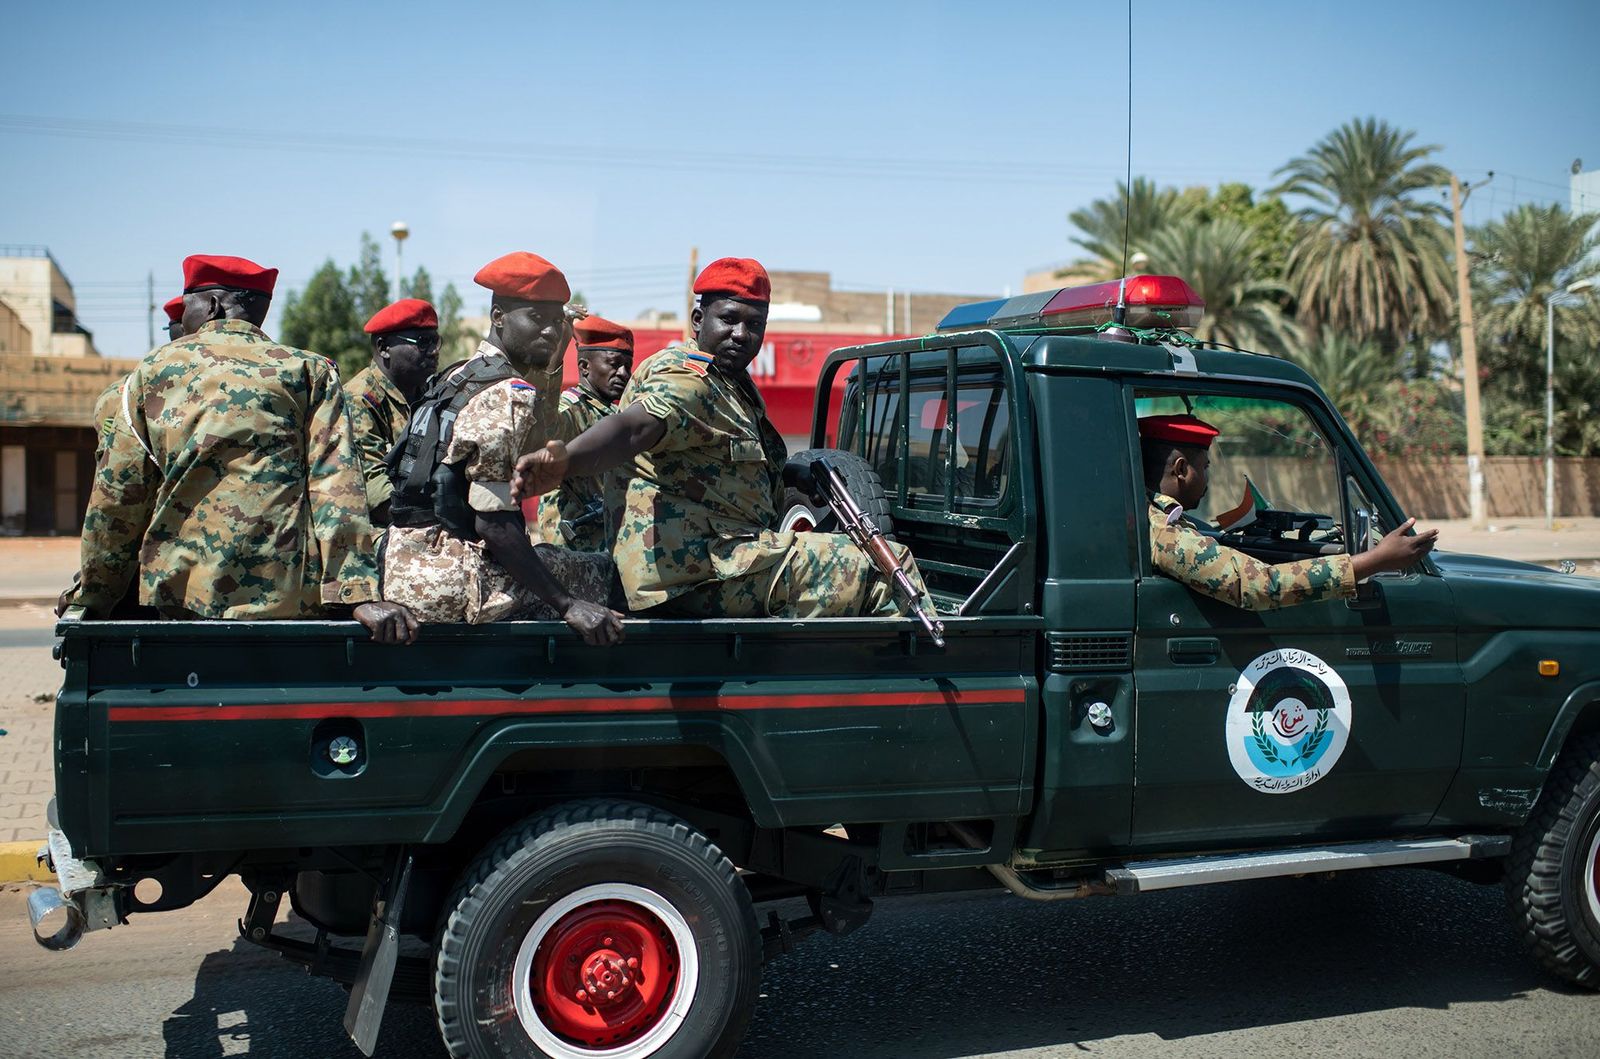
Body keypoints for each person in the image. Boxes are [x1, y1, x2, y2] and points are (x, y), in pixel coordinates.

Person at [511, 256, 933, 619]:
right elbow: (637, 427)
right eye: (728, 319)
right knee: (886, 569)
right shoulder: (687, 376)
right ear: (699, 320)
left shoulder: (732, 384)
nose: (741, 334)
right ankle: (941, 678)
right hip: (692, 575)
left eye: (755, 324)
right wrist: (564, 461)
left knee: (836, 553)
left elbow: (717, 465)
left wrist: (789, 473)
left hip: (715, 560)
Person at [73, 254, 416, 643]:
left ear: (213, 307)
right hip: (289, 597)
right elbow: (336, 488)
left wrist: (94, 596)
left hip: (184, 596)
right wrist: (355, 593)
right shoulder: (308, 371)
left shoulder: (151, 372)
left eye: (187, 307)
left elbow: (119, 497)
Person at [381, 251, 625, 645]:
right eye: (535, 318)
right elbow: (493, 525)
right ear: (498, 318)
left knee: (552, 556)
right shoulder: (507, 394)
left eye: (555, 321)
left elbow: (539, 437)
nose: (548, 332)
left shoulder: (459, 374)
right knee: (608, 575)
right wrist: (568, 606)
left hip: (405, 562)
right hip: (454, 579)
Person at [1140, 413, 1438, 610]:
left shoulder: (1154, 512)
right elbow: (1260, 585)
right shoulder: (1164, 532)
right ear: (1181, 470)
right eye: (1204, 467)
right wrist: (1375, 560)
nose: (1208, 478)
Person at [56, 293, 195, 619]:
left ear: (173, 330)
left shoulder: (122, 395)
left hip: (144, 573)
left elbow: (117, 497)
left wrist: (92, 592)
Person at [534, 314, 634, 550]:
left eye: (627, 366)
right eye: (614, 364)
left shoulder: (615, 412)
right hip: (575, 547)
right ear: (585, 367)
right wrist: (557, 352)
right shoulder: (571, 409)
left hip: (607, 542)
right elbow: (545, 427)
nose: (623, 373)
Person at [346, 298, 439, 525]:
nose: (434, 352)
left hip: (422, 520)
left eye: (436, 342)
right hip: (377, 535)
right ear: (383, 348)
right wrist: (443, 517)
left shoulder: (431, 394)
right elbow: (377, 495)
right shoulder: (360, 399)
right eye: (423, 342)